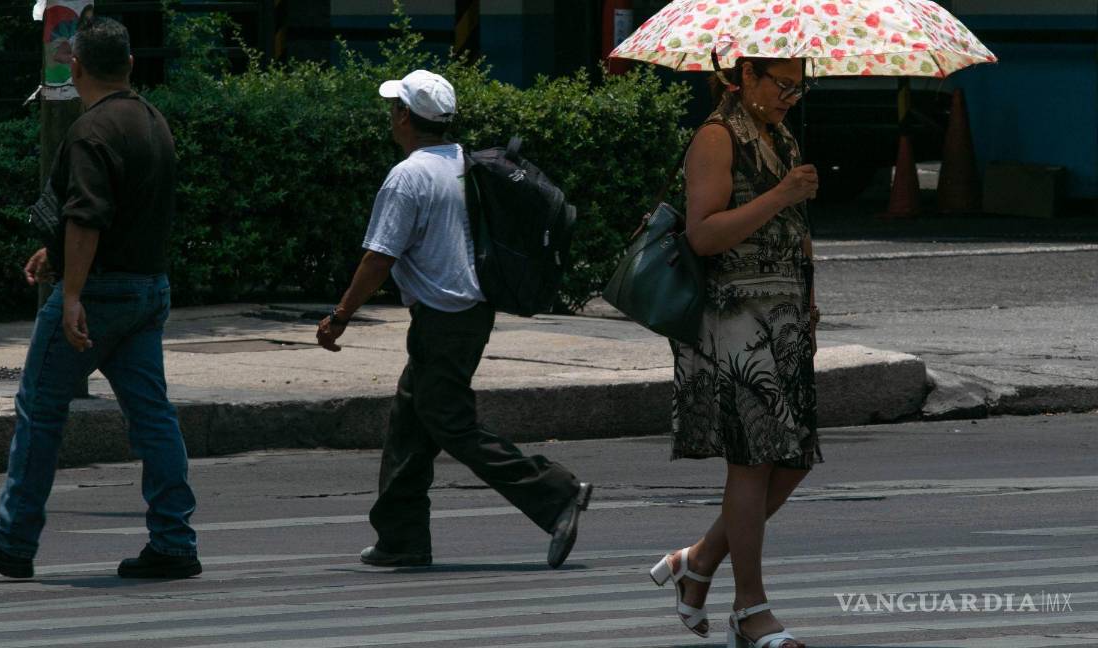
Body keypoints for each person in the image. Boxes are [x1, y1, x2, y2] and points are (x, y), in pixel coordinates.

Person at [0, 17, 201, 580]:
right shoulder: (153, 121)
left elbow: (87, 217)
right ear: (130, 65)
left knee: (39, 410)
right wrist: (56, 257)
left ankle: (12, 540)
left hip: (101, 290)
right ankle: (175, 540)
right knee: (153, 417)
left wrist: (71, 294)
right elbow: (123, 213)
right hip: (147, 289)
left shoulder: (90, 132)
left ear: (77, 68)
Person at [316, 70, 592, 569]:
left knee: (451, 424)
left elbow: (378, 258)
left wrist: (340, 315)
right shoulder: (462, 162)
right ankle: (401, 539)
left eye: (393, 107)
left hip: (445, 317)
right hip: (466, 312)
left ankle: (556, 494)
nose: (390, 115)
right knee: (409, 423)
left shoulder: (409, 175)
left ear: (404, 116)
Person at [649, 57, 819, 648]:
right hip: (735, 317)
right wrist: (781, 193)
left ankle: (695, 563)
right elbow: (705, 234)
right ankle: (751, 610)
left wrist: (811, 301)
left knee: (794, 458)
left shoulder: (782, 135)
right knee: (753, 458)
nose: (790, 97)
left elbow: (796, 231)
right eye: (781, 85)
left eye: (800, 87)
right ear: (745, 77)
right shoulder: (716, 138)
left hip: (786, 316)